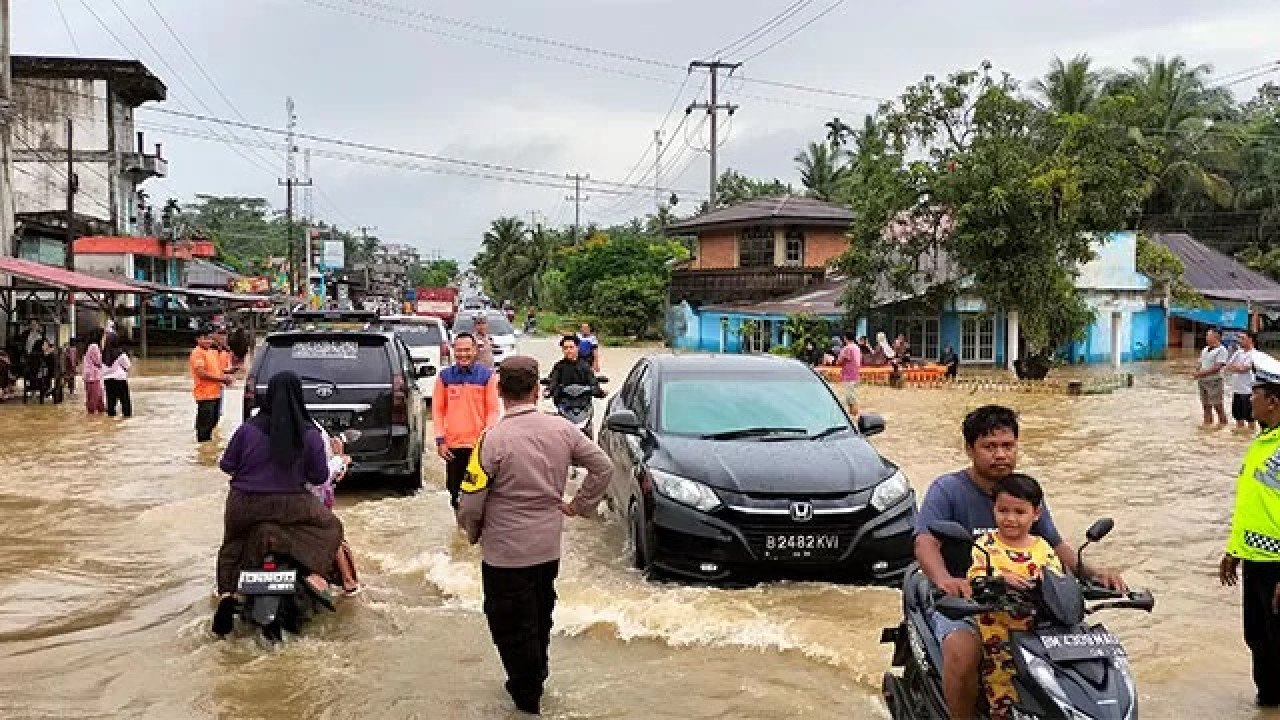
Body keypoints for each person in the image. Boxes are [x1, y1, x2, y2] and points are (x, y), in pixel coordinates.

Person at [914, 404, 1126, 720]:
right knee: (963, 651)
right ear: (970, 449)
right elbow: (925, 542)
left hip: (1026, 601)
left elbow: (1054, 545)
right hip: (963, 600)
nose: (1000, 454)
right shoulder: (947, 490)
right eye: (990, 446)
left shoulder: (1025, 492)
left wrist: (1093, 574)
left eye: (1007, 445)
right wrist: (945, 580)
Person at [456, 355, 614, 715]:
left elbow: (471, 502)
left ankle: (526, 696)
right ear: (536, 391)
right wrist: (579, 506)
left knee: (510, 625)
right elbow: (603, 467)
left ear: (499, 391)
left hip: (504, 554)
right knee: (540, 616)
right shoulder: (563, 430)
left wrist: (474, 533)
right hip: (547, 548)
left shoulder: (491, 440)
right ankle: (536, 678)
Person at [212, 371, 345, 636]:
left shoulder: (247, 430)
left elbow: (226, 466)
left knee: (233, 545)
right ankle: (315, 577)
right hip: (292, 505)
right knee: (331, 528)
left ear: (268, 395)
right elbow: (319, 477)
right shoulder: (309, 434)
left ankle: (227, 593)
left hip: (244, 504)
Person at [967, 473, 1063, 720]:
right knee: (1002, 691)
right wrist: (1000, 578)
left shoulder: (1043, 547)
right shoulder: (985, 545)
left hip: (1038, 631)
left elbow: (1057, 580)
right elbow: (975, 576)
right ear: (994, 510)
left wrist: (1046, 581)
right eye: (1003, 510)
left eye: (1019, 512)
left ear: (1036, 514)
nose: (1010, 519)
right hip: (998, 634)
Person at [1220, 352, 1280, 708]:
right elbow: (1253, 506)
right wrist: (1234, 551)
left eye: (1255, 394)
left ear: (1272, 402)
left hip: (1277, 568)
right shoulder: (1261, 444)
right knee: (1259, 640)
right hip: (1256, 562)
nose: (1248, 399)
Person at [432, 333, 501, 507]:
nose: (463, 354)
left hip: (479, 447)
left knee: (480, 491)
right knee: (455, 492)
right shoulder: (444, 377)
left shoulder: (487, 376)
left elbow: (493, 410)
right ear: (453, 351)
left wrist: (487, 438)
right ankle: (460, 523)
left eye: (467, 350)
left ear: (475, 350)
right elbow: (437, 411)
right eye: (459, 350)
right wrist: (440, 441)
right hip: (453, 447)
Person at [547, 335, 605, 437]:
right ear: (562, 350)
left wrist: (599, 391)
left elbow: (593, 381)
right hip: (565, 404)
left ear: (577, 348)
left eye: (571, 347)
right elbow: (553, 381)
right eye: (566, 348)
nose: (568, 350)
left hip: (583, 404)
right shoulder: (558, 367)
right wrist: (549, 390)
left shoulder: (585, 366)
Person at [191, 327, 234, 442]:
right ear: (198, 339)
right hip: (205, 395)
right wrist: (222, 379)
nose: (208, 341)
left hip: (216, 393)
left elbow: (218, 370)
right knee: (204, 428)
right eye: (205, 339)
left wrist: (229, 374)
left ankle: (208, 449)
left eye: (210, 339)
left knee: (213, 422)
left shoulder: (212, 352)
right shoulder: (197, 353)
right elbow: (201, 373)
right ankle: (203, 448)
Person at [1194, 328, 1229, 426]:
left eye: (1208, 335)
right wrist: (1197, 371)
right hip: (1202, 381)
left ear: (1216, 337)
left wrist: (1201, 373)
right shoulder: (1205, 349)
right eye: (1206, 335)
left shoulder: (1222, 350)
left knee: (1218, 405)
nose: (1206, 337)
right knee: (1205, 406)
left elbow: (1217, 367)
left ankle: (1222, 425)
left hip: (1214, 381)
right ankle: (1207, 425)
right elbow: (1200, 363)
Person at [1226, 330, 1258, 431]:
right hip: (1236, 389)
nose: (1240, 340)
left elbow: (1243, 369)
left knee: (1250, 419)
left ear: (1250, 340)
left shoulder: (1255, 354)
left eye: (1242, 338)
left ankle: (1250, 437)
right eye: (1239, 338)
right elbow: (1227, 366)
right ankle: (1240, 437)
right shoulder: (1238, 352)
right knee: (1238, 417)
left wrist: (1236, 367)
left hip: (1248, 391)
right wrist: (1238, 367)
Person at [101, 332, 133, 418]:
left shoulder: (103, 354)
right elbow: (128, 365)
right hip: (120, 379)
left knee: (110, 401)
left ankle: (110, 419)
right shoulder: (120, 353)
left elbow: (102, 367)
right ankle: (126, 417)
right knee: (125, 400)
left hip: (107, 380)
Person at [834, 332, 862, 418]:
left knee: (850, 398)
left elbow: (839, 361)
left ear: (846, 338)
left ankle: (854, 415)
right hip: (856, 375)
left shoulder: (847, 348)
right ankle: (852, 414)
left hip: (849, 376)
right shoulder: (857, 347)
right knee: (852, 396)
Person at [82, 328, 106, 415]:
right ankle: (91, 418)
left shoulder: (91, 346)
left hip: (91, 376)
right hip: (93, 376)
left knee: (97, 399)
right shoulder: (94, 347)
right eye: (104, 337)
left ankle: (96, 417)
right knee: (94, 399)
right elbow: (99, 362)